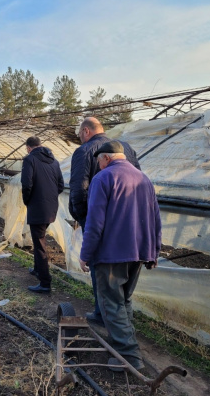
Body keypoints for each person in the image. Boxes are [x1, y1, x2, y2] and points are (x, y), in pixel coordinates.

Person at [79, 140, 161, 370]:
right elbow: (155, 218)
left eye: (98, 161)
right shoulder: (144, 179)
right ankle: (127, 342)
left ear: (105, 158)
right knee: (123, 300)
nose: (98, 166)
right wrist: (154, 251)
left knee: (111, 303)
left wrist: (85, 254)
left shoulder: (103, 179)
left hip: (111, 254)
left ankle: (129, 358)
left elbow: (95, 223)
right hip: (138, 252)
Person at [69, 117, 140, 326]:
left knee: (99, 265)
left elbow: (78, 191)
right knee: (123, 270)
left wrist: (83, 219)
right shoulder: (125, 148)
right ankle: (122, 314)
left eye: (80, 134)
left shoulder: (84, 151)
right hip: (126, 219)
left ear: (86, 131)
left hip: (98, 219)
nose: (80, 138)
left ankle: (103, 314)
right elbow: (136, 180)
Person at [21, 136, 64, 293]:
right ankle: (38, 269)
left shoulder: (29, 160)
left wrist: (28, 201)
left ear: (29, 148)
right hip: (51, 208)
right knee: (39, 238)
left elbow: (27, 184)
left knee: (39, 244)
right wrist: (50, 197)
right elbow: (60, 185)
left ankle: (45, 283)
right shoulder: (54, 161)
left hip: (37, 207)